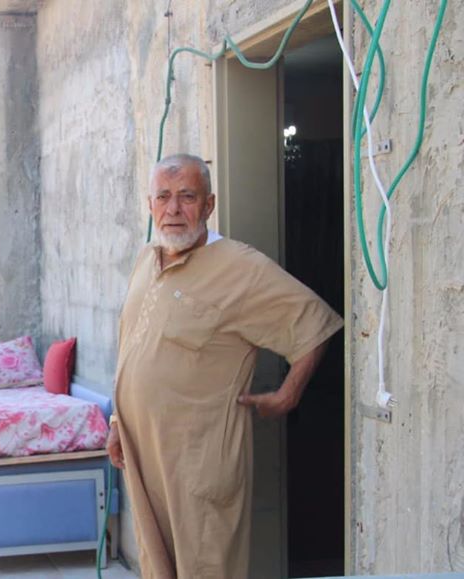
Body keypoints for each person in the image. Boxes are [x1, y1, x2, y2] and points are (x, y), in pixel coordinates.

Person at [108, 154, 343, 578]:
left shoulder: (241, 266)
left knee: (206, 566)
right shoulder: (146, 259)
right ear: (150, 204)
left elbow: (314, 323)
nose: (173, 209)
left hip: (198, 464)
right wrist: (116, 424)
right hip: (143, 458)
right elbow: (130, 345)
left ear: (209, 204)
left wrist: (288, 394)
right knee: (157, 566)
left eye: (187, 197)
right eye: (163, 197)